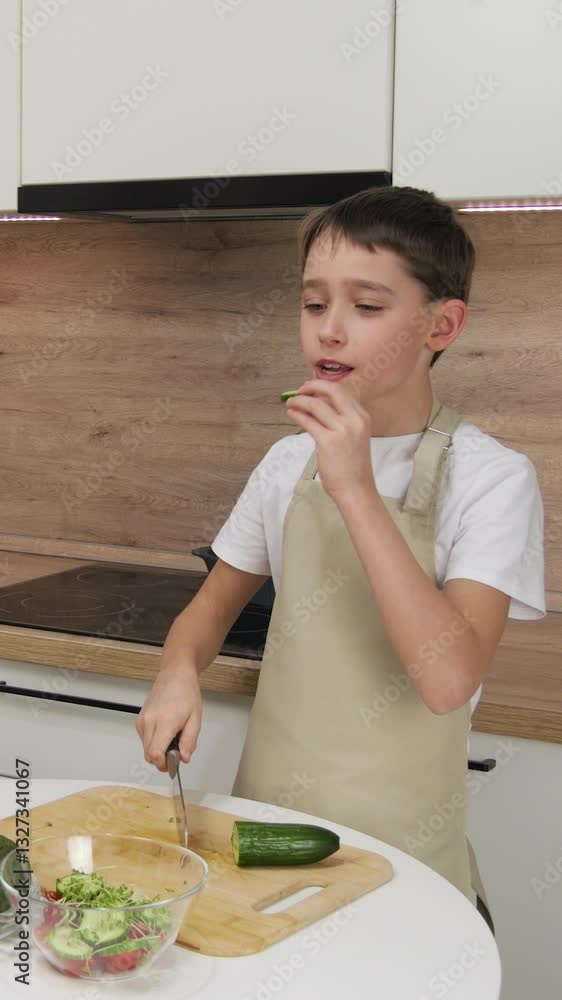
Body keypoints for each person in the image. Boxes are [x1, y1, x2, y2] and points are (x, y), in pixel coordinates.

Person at [136, 186, 545, 931]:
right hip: (263, 843)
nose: (329, 332)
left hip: (408, 869)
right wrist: (176, 673)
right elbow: (207, 612)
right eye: (313, 303)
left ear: (441, 324)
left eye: (366, 305)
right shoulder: (284, 464)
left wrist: (353, 485)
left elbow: (449, 679)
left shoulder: (491, 477)